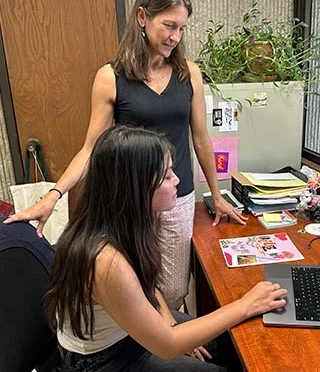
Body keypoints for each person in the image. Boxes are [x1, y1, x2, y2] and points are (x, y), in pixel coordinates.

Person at [4, 0, 246, 310]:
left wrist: (216, 195)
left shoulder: (189, 73)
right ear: (143, 17)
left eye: (182, 28)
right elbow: (92, 148)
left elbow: (201, 139)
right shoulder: (111, 77)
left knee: (174, 285)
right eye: (169, 26)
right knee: (137, 285)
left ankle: (172, 337)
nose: (175, 37)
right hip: (130, 200)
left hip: (179, 195)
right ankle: (148, 345)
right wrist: (54, 195)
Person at [45, 125, 287, 371]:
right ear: (136, 187)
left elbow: (145, 285)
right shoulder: (106, 261)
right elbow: (168, 345)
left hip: (126, 333)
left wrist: (171, 322)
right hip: (103, 359)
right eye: (167, 175)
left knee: (226, 344)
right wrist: (246, 304)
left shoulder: (127, 223)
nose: (177, 180)